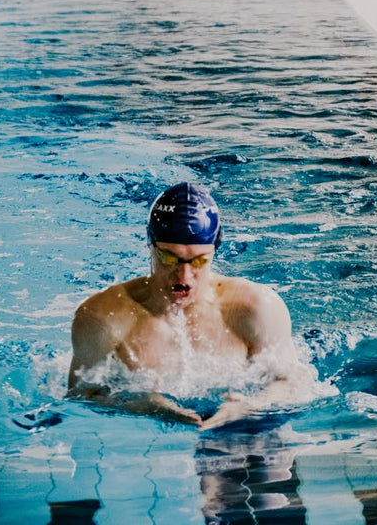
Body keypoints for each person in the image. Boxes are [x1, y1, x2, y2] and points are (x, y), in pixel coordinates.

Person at [69, 181, 311, 427]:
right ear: (151, 245)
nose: (184, 276)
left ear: (215, 249)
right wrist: (138, 404)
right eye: (168, 258)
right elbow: (81, 399)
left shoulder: (257, 308)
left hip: (245, 425)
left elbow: (294, 384)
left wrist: (251, 406)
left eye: (199, 261)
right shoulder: (103, 318)